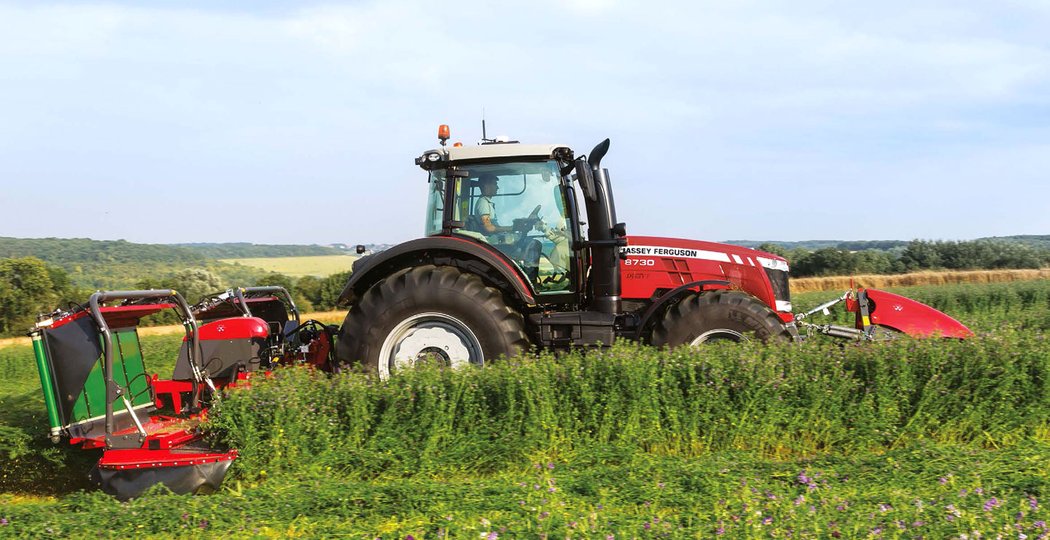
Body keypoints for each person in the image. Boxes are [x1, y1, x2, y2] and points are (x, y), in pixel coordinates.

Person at [472, 174, 542, 282]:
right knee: (534, 244)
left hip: (496, 239)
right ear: (486, 185)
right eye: (495, 184)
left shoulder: (487, 203)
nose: (497, 187)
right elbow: (488, 228)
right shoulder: (483, 203)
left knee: (527, 241)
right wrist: (512, 228)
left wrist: (518, 226)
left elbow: (493, 227)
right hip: (493, 243)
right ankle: (530, 280)